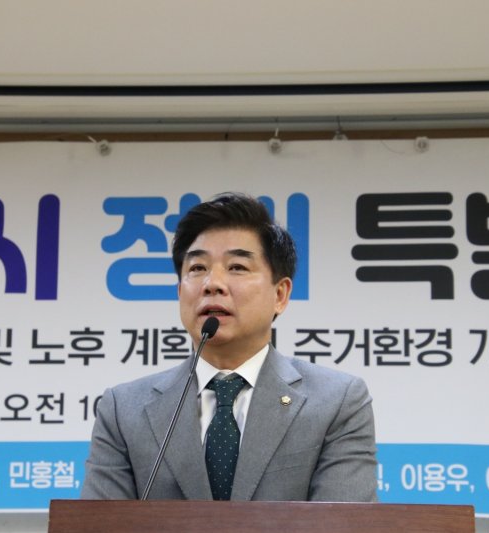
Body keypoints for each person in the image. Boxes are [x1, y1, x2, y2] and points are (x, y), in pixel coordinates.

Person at [81, 192, 377, 501]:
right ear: (180, 291)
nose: (212, 283)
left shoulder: (336, 401)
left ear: (280, 295)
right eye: (197, 268)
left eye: (237, 267)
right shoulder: (123, 409)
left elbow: (343, 521)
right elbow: (98, 521)